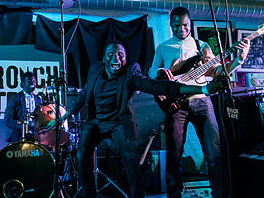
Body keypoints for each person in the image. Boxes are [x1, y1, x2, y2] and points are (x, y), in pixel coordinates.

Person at [48, 41, 225, 198]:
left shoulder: (131, 72)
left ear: (125, 59)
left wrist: (203, 89)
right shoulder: (95, 69)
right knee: (81, 154)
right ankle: (89, 194)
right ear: (104, 58)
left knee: (130, 161)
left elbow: (156, 86)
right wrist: (61, 118)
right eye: (111, 54)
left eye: (120, 55)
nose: (115, 58)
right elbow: (83, 96)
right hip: (96, 122)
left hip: (119, 124)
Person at [148, 7, 250, 198]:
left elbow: (217, 71)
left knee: (214, 154)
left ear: (190, 23)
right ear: (171, 25)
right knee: (174, 155)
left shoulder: (202, 46)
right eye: (177, 26)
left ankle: (219, 194)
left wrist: (238, 61)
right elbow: (151, 71)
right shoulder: (163, 47)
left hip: (202, 101)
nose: (182, 29)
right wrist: (161, 72)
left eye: (185, 25)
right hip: (176, 104)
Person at [4, 71, 41, 142]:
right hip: (19, 134)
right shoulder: (15, 98)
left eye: (34, 81)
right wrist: (23, 126)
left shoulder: (38, 99)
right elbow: (7, 120)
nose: (32, 83)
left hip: (34, 134)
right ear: (22, 84)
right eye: (29, 81)